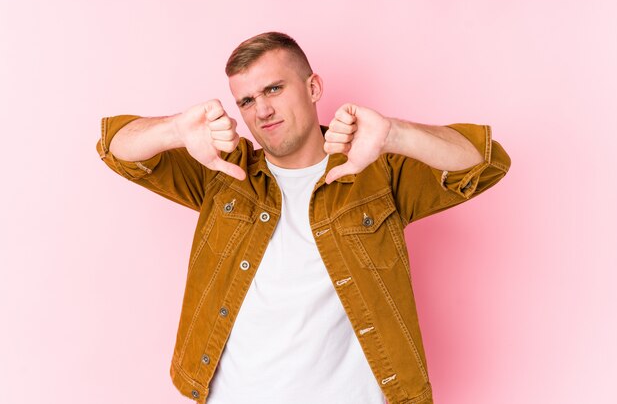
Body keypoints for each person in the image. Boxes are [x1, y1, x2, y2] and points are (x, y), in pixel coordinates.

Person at [97, 32, 510, 404]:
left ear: (313, 87)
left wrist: (394, 135)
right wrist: (173, 131)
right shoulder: (223, 172)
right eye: (246, 101)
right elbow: (116, 147)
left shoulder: (376, 173)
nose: (261, 111)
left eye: (273, 89)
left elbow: (483, 164)